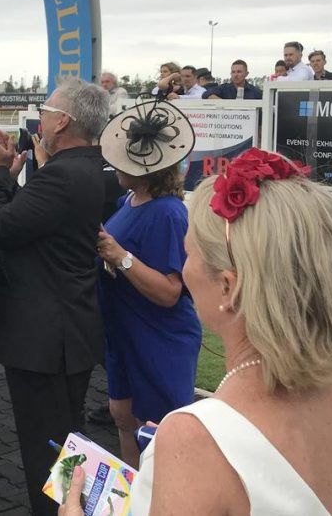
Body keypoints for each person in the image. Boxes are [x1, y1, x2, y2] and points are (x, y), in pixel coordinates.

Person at [127, 149, 332, 514]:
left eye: (188, 254)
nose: (184, 268)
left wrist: (189, 446)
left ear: (229, 287)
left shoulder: (193, 439)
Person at [0, 76, 109, 516]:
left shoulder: (63, 174)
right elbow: (31, 223)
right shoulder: (86, 168)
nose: (40, 121)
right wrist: (9, 181)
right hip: (65, 333)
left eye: (46, 112)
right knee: (67, 445)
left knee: (47, 452)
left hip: (46, 340)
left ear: (63, 121)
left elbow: (2, 228)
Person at [94, 98, 201, 468]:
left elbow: (170, 292)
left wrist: (118, 256)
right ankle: (136, 494)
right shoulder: (130, 200)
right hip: (126, 333)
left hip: (159, 338)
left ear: (147, 171)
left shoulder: (168, 213)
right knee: (124, 419)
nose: (115, 166)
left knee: (160, 437)